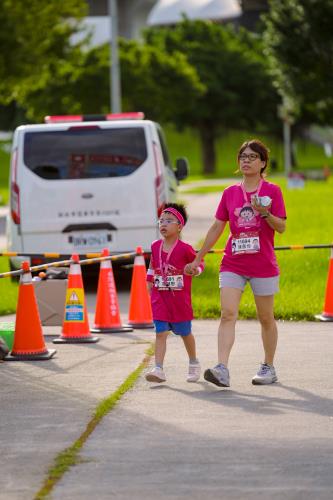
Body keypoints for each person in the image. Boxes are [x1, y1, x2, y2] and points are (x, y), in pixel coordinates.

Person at [185, 139, 287, 387]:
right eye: (243, 156)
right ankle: (222, 368)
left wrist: (264, 213)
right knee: (228, 313)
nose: (246, 160)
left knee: (265, 318)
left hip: (263, 263)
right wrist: (198, 257)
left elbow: (281, 226)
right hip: (233, 262)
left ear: (263, 163)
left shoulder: (272, 191)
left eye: (252, 157)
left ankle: (268, 367)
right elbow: (217, 227)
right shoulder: (230, 193)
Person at [145, 203, 204, 384]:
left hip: (179, 301)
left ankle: (194, 363)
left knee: (185, 333)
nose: (163, 224)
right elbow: (152, 266)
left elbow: (199, 264)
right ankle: (158, 369)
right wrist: (149, 283)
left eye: (169, 221)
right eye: (161, 220)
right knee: (160, 332)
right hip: (160, 298)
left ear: (179, 226)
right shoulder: (155, 246)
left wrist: (195, 270)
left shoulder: (185, 248)